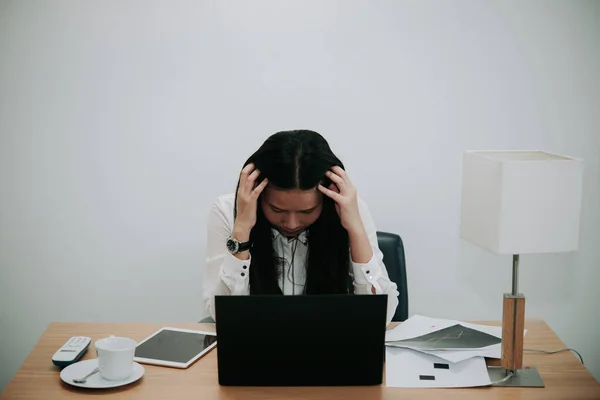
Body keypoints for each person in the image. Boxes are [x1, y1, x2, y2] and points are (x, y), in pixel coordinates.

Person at [202, 130, 399, 325]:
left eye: (307, 211)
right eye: (276, 209)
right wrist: (242, 229)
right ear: (258, 192)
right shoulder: (227, 211)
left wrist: (355, 229)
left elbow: (381, 318)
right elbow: (222, 316)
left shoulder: (347, 208)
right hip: (257, 345)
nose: (291, 223)